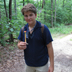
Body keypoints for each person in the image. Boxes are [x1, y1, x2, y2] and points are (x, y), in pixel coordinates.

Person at [17, 3, 54, 72]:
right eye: (26, 16)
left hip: (42, 65)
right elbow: (19, 43)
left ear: (35, 15)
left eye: (31, 15)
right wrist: (19, 45)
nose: (28, 18)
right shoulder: (23, 29)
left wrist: (52, 65)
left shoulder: (43, 28)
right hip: (28, 64)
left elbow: (50, 47)